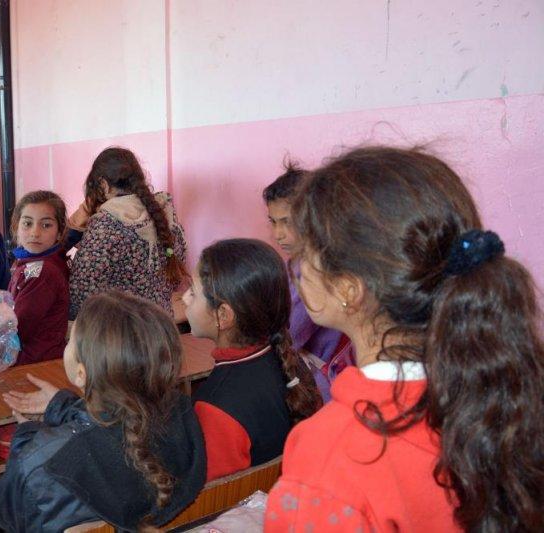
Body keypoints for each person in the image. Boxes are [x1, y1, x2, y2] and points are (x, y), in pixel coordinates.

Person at [265, 147, 544, 532]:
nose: (297, 269)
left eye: (304, 254)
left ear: (347, 288)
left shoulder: (330, 454)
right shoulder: (508, 392)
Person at [0, 291, 207, 532]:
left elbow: (5, 518)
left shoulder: (41, 461)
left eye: (70, 341)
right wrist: (63, 405)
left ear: (81, 374)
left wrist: (26, 439)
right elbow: (109, 433)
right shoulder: (182, 416)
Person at [182, 239, 320, 481]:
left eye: (193, 292)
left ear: (223, 315)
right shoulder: (291, 365)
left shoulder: (214, 408)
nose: (184, 298)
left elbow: (214, 495)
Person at [263, 162, 354, 402]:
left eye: (287, 222)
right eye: (273, 221)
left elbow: (288, 336)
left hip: (324, 385)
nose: (278, 234)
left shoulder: (312, 271)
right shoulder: (298, 262)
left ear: (315, 217)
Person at [68, 147, 188, 319]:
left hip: (123, 331)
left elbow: (81, 295)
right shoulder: (166, 217)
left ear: (103, 184)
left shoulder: (105, 224)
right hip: (162, 326)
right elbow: (174, 279)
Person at [8, 190, 69, 365]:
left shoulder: (43, 271)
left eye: (46, 225)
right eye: (27, 223)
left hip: (35, 363)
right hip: (31, 358)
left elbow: (18, 327)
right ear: (16, 228)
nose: (35, 233)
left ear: (59, 232)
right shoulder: (28, 261)